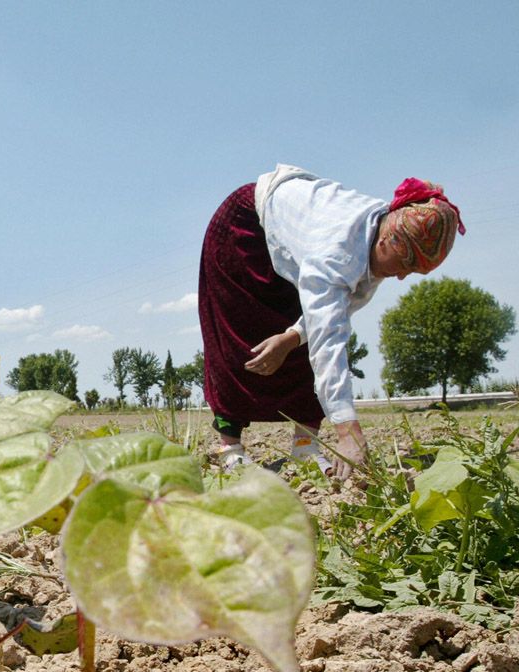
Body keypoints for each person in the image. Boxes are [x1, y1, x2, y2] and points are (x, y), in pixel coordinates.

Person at [197, 165, 464, 478]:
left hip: (296, 245)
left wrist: (292, 336)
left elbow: (337, 311)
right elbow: (328, 339)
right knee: (240, 337)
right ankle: (230, 448)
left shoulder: (378, 235)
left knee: (294, 346)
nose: (402, 276)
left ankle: (304, 446)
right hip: (243, 231)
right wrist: (347, 431)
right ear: (385, 242)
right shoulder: (337, 252)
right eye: (405, 265)